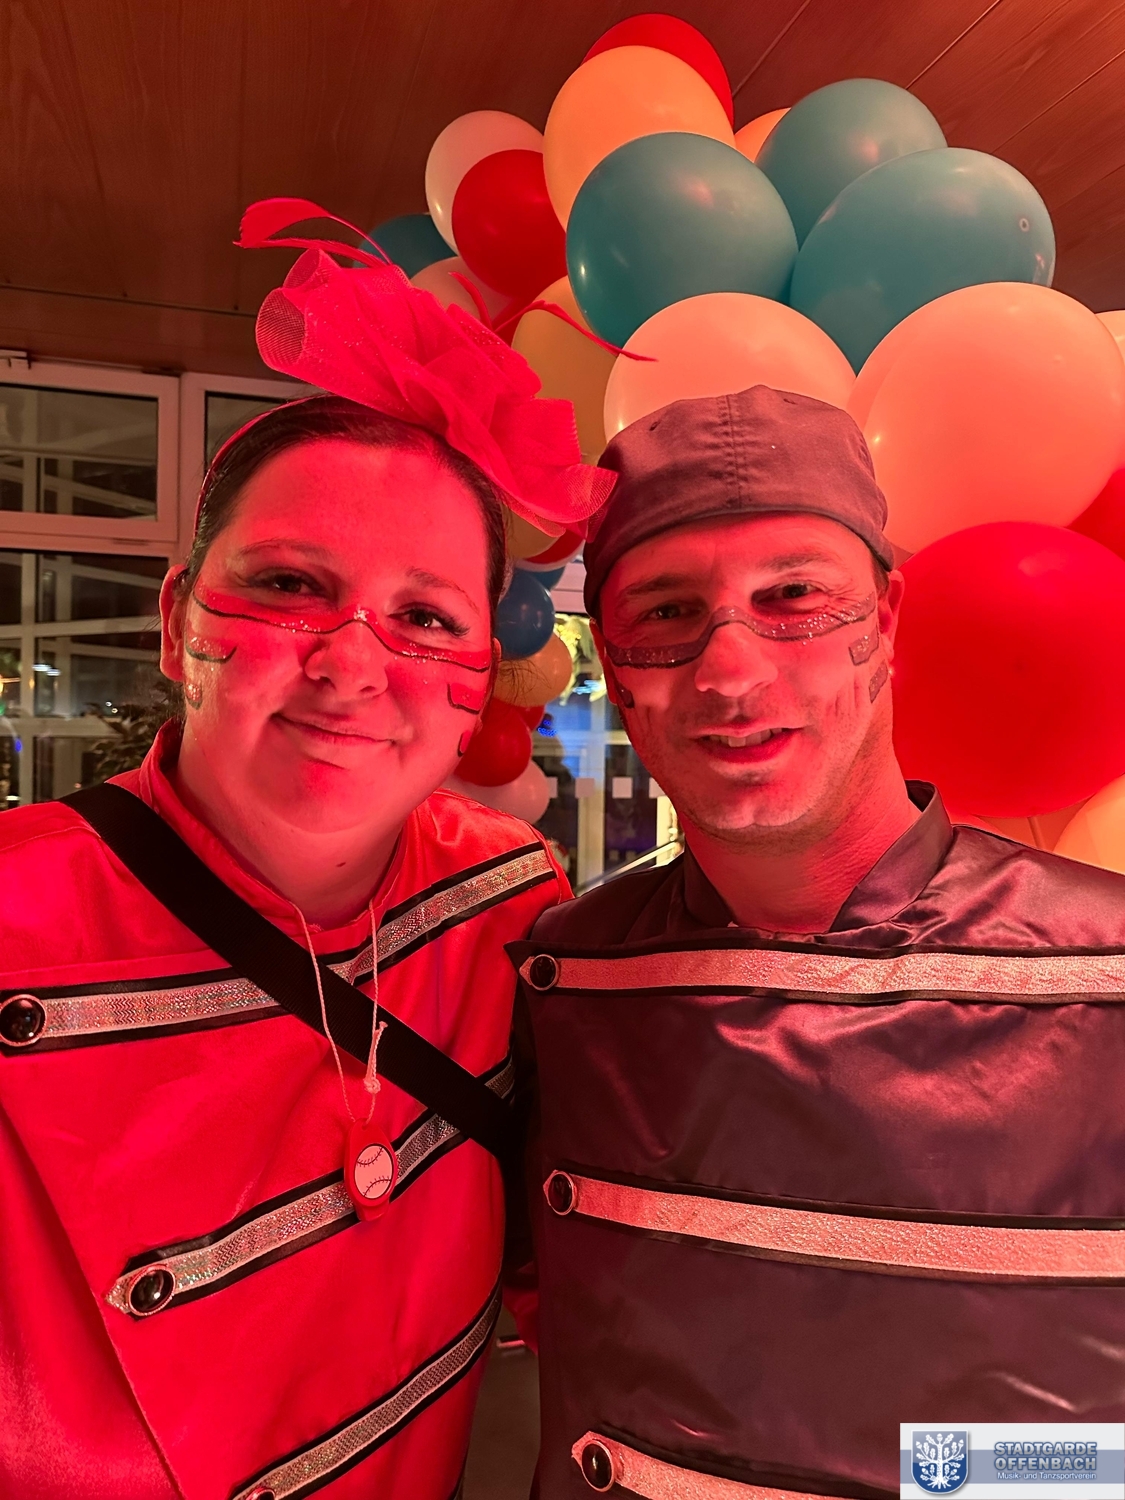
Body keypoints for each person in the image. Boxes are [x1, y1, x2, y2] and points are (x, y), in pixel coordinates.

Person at [0, 205, 613, 1500]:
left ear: (477, 684)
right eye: (288, 586)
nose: (350, 665)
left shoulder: (510, 904)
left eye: (424, 617)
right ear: (176, 622)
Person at [511, 385, 1125, 1500]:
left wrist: (964, 1476)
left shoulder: (1106, 972)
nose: (732, 674)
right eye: (666, 611)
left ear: (882, 623)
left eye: (793, 596)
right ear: (617, 665)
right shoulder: (561, 980)